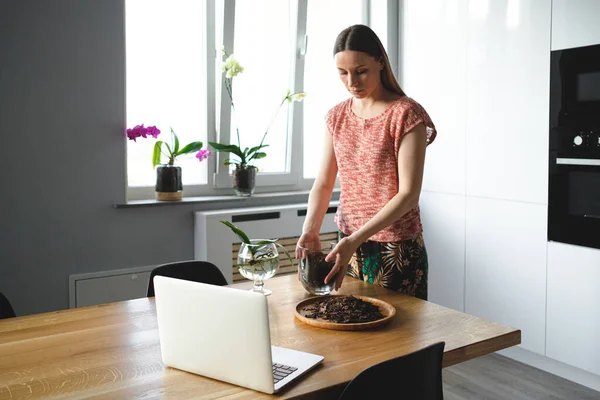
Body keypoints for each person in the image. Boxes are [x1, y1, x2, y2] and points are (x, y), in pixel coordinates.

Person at [295, 24, 437, 300]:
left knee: (399, 338)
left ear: (380, 63)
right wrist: (310, 229)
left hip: (395, 249)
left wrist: (354, 239)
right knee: (352, 333)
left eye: (360, 71)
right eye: (343, 73)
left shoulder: (406, 114)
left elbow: (408, 195)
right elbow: (324, 183)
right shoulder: (336, 117)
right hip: (348, 244)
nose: (352, 82)